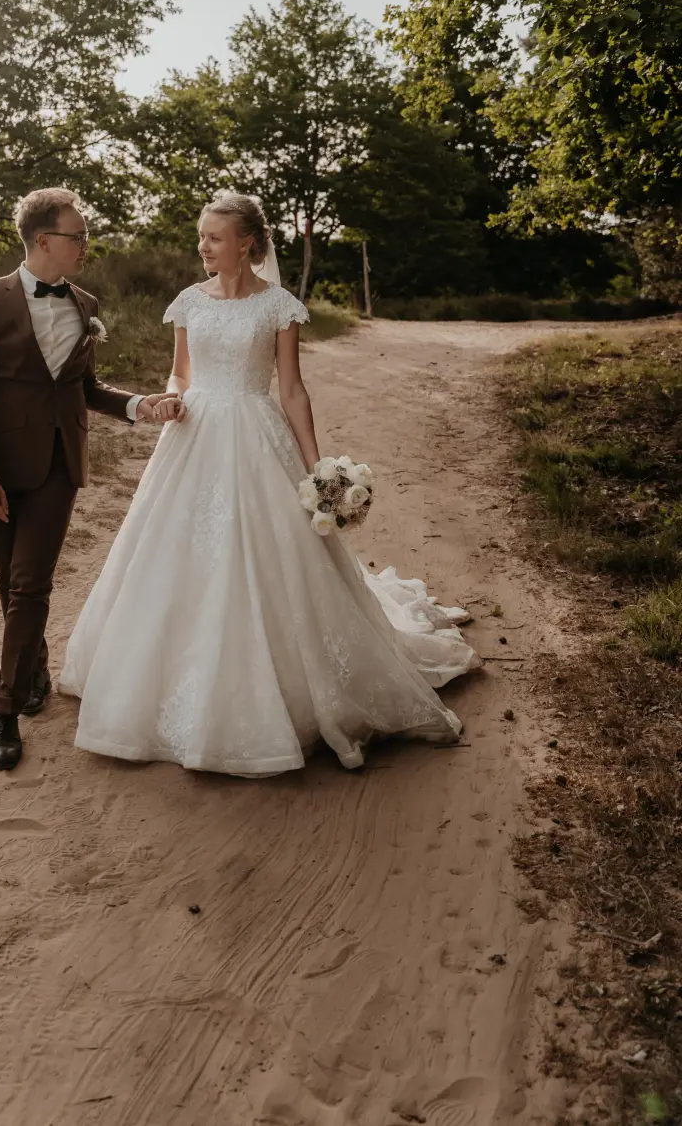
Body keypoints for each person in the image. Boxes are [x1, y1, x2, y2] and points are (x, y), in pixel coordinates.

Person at [59, 192, 481, 777]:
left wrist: (318, 468)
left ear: (248, 244)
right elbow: (180, 370)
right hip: (196, 433)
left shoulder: (278, 307)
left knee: (272, 554)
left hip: (259, 433)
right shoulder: (188, 302)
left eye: (214, 237)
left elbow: (291, 391)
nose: (202, 246)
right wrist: (174, 398)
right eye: (201, 236)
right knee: (174, 554)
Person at [0, 187, 181, 771]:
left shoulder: (84, 302)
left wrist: (139, 407)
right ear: (44, 240)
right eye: (78, 236)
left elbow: (85, 390)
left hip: (58, 463)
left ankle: (3, 710)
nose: (86, 246)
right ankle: (31, 667)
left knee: (29, 585)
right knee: (8, 580)